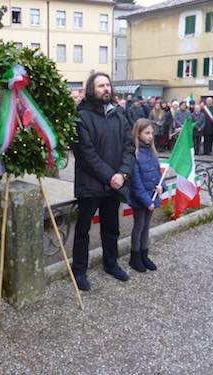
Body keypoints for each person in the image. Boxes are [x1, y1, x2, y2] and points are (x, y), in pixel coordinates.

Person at [71, 72, 135, 291]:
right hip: (91, 185)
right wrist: (111, 176)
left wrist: (123, 174)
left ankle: (111, 263)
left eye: (108, 85)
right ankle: (79, 270)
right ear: (91, 90)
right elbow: (86, 154)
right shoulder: (81, 116)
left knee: (111, 227)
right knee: (83, 230)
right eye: (101, 86)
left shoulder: (119, 114)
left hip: (115, 183)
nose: (106, 89)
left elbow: (129, 147)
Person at [128, 119, 165, 272]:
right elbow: (135, 183)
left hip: (152, 196)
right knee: (139, 226)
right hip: (141, 199)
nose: (150, 136)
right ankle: (134, 257)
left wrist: (162, 186)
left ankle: (144, 254)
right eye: (147, 133)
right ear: (138, 134)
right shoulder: (135, 154)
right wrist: (146, 200)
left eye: (151, 133)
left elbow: (157, 173)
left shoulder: (152, 152)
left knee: (146, 227)